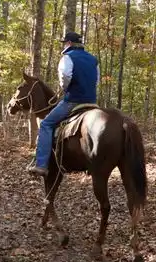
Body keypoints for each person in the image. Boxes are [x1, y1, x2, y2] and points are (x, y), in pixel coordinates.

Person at [26, 31, 100, 177]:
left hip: (73, 100)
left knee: (46, 124)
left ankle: (41, 164)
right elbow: (96, 80)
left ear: (70, 43)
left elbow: (65, 76)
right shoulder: (93, 60)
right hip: (92, 102)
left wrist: (65, 87)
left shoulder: (67, 58)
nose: (64, 45)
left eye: (65, 42)